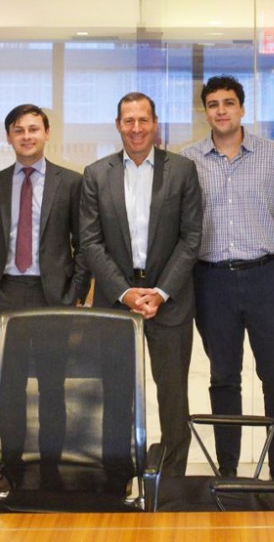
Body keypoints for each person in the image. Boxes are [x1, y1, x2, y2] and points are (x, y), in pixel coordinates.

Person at [181, 76, 274, 481]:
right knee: (223, 378)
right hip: (211, 282)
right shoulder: (188, 160)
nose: (221, 110)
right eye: (213, 104)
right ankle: (228, 468)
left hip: (267, 277)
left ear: (242, 108)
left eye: (229, 102)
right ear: (205, 112)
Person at [79, 92, 202, 477]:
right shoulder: (96, 174)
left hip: (170, 300)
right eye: (128, 121)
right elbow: (90, 242)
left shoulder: (182, 170)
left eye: (143, 120)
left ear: (155, 124)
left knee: (173, 397)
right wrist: (126, 292)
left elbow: (191, 238)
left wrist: (160, 292)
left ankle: (171, 478)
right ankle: (118, 474)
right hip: (116, 302)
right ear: (118, 125)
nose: (136, 128)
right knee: (115, 392)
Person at [0, 104, 89, 490]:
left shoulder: (70, 183)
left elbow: (84, 243)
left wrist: (74, 293)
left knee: (53, 385)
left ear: (47, 133)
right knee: (9, 386)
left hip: (51, 295)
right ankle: (12, 467)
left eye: (34, 129)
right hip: (5, 294)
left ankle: (51, 467)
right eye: (19, 130)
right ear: (8, 136)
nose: (26, 136)